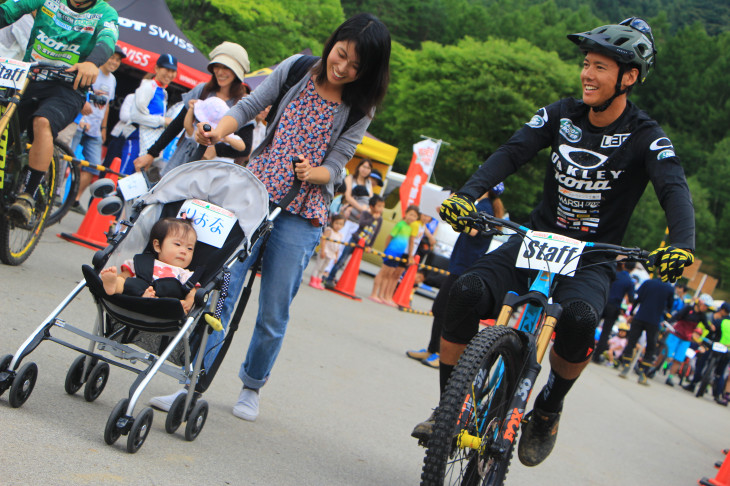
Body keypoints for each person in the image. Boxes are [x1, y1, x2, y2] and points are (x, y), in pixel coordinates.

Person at [413, 18, 695, 468]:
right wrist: (467, 196)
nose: (587, 74)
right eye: (586, 64)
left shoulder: (647, 135)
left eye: (600, 67)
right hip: (535, 240)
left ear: (629, 78)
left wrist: (682, 244)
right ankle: (449, 407)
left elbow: (674, 189)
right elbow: (512, 151)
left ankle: (547, 407)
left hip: (590, 257)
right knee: (464, 291)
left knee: (582, 320)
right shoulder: (560, 114)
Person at [149, 14, 391, 422]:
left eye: (356, 66)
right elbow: (248, 106)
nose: (344, 68)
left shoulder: (358, 108)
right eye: (342, 54)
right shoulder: (297, 68)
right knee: (219, 293)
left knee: (274, 310)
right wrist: (217, 130)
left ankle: (252, 385)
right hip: (253, 198)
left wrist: (310, 173)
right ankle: (191, 382)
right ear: (334, 42)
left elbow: (337, 166)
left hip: (303, 213)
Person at [3, 0, 119, 226]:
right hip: (29, 77)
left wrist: (92, 63)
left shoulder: (105, 13)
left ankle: (28, 194)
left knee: (42, 121)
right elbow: (10, 11)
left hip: (68, 87)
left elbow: (107, 40)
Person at [406, 184, 505, 369]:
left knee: (443, 309)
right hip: (462, 264)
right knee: (441, 309)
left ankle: (442, 355)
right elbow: (468, 229)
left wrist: (453, 218)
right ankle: (432, 350)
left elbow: (474, 231)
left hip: (466, 267)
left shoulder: (485, 208)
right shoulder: (483, 206)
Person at [133, 42, 252, 175]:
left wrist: (217, 149)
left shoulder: (244, 103)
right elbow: (177, 124)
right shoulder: (202, 90)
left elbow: (245, 148)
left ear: (237, 71)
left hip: (212, 171)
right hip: (182, 160)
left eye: (226, 67)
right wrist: (151, 153)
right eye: (216, 66)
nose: (219, 72)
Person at [100, 217, 198, 313]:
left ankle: (153, 300)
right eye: (177, 244)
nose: (184, 251)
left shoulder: (185, 274)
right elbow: (125, 276)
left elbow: (192, 293)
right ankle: (113, 284)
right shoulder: (144, 261)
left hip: (164, 304)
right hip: (136, 294)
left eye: (190, 248)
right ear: (157, 246)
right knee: (124, 281)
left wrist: (188, 302)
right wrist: (117, 279)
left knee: (179, 307)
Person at [70, 45, 126, 212]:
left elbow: (107, 105)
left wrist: (103, 128)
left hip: (95, 128)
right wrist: (81, 119)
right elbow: (78, 93)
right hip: (80, 122)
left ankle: (74, 199)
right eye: (112, 57)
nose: (114, 62)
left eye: (118, 60)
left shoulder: (113, 80)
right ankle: (56, 193)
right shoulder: (92, 71)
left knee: (93, 165)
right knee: (67, 158)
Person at [119, 54, 178, 175]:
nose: (170, 74)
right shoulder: (148, 86)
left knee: (135, 180)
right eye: (167, 69)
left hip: (147, 142)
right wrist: (163, 121)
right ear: (157, 68)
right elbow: (135, 116)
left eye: (173, 71)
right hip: (136, 137)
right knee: (124, 176)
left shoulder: (163, 92)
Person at [617, 277, 675, 384]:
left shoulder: (648, 283)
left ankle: (625, 366)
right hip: (654, 321)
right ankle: (643, 373)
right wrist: (664, 318)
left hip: (640, 316)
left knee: (632, 342)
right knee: (651, 347)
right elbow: (669, 307)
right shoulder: (669, 288)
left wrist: (631, 313)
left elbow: (638, 299)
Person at [323, 194, 385, 289]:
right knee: (342, 259)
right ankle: (330, 277)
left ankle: (343, 280)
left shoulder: (380, 219)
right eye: (379, 206)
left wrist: (369, 245)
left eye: (382, 207)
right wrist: (372, 218)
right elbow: (361, 224)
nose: (381, 209)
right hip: (355, 239)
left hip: (364, 243)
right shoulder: (366, 213)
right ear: (372, 206)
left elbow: (375, 233)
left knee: (353, 262)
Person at [368, 205, 420, 306]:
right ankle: (374, 293)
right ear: (406, 213)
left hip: (399, 254)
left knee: (389, 274)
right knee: (383, 272)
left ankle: (382, 295)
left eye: (414, 216)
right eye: (410, 214)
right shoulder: (400, 224)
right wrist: (386, 250)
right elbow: (389, 237)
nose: (412, 217)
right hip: (391, 251)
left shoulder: (409, 228)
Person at [663, 293, 713, 387]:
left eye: (707, 307)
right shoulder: (688, 308)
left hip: (686, 338)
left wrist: (711, 329)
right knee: (666, 354)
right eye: (705, 305)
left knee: (678, 359)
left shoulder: (702, 316)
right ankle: (658, 367)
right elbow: (677, 316)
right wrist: (667, 323)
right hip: (676, 333)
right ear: (700, 303)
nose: (706, 308)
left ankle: (670, 377)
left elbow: (707, 326)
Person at [593, 260, 636, 362]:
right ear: (632, 269)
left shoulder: (614, 275)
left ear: (624, 265)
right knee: (606, 332)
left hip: (603, 302)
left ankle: (584, 347)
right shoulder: (629, 282)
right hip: (614, 307)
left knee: (593, 325)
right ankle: (597, 355)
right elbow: (631, 299)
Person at [683, 302, 730, 394]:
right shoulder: (724, 321)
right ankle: (717, 394)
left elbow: (711, 328)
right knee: (719, 373)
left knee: (701, 362)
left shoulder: (720, 320)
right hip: (726, 350)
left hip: (712, 344)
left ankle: (693, 383)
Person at [308, 213, 346, 289]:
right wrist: (322, 251)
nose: (338, 226)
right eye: (337, 223)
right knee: (318, 266)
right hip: (325, 251)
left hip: (331, 253)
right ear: (332, 222)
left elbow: (337, 246)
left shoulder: (340, 235)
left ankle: (318, 281)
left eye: (341, 224)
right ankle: (313, 280)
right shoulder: (329, 230)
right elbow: (324, 240)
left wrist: (336, 256)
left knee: (323, 268)